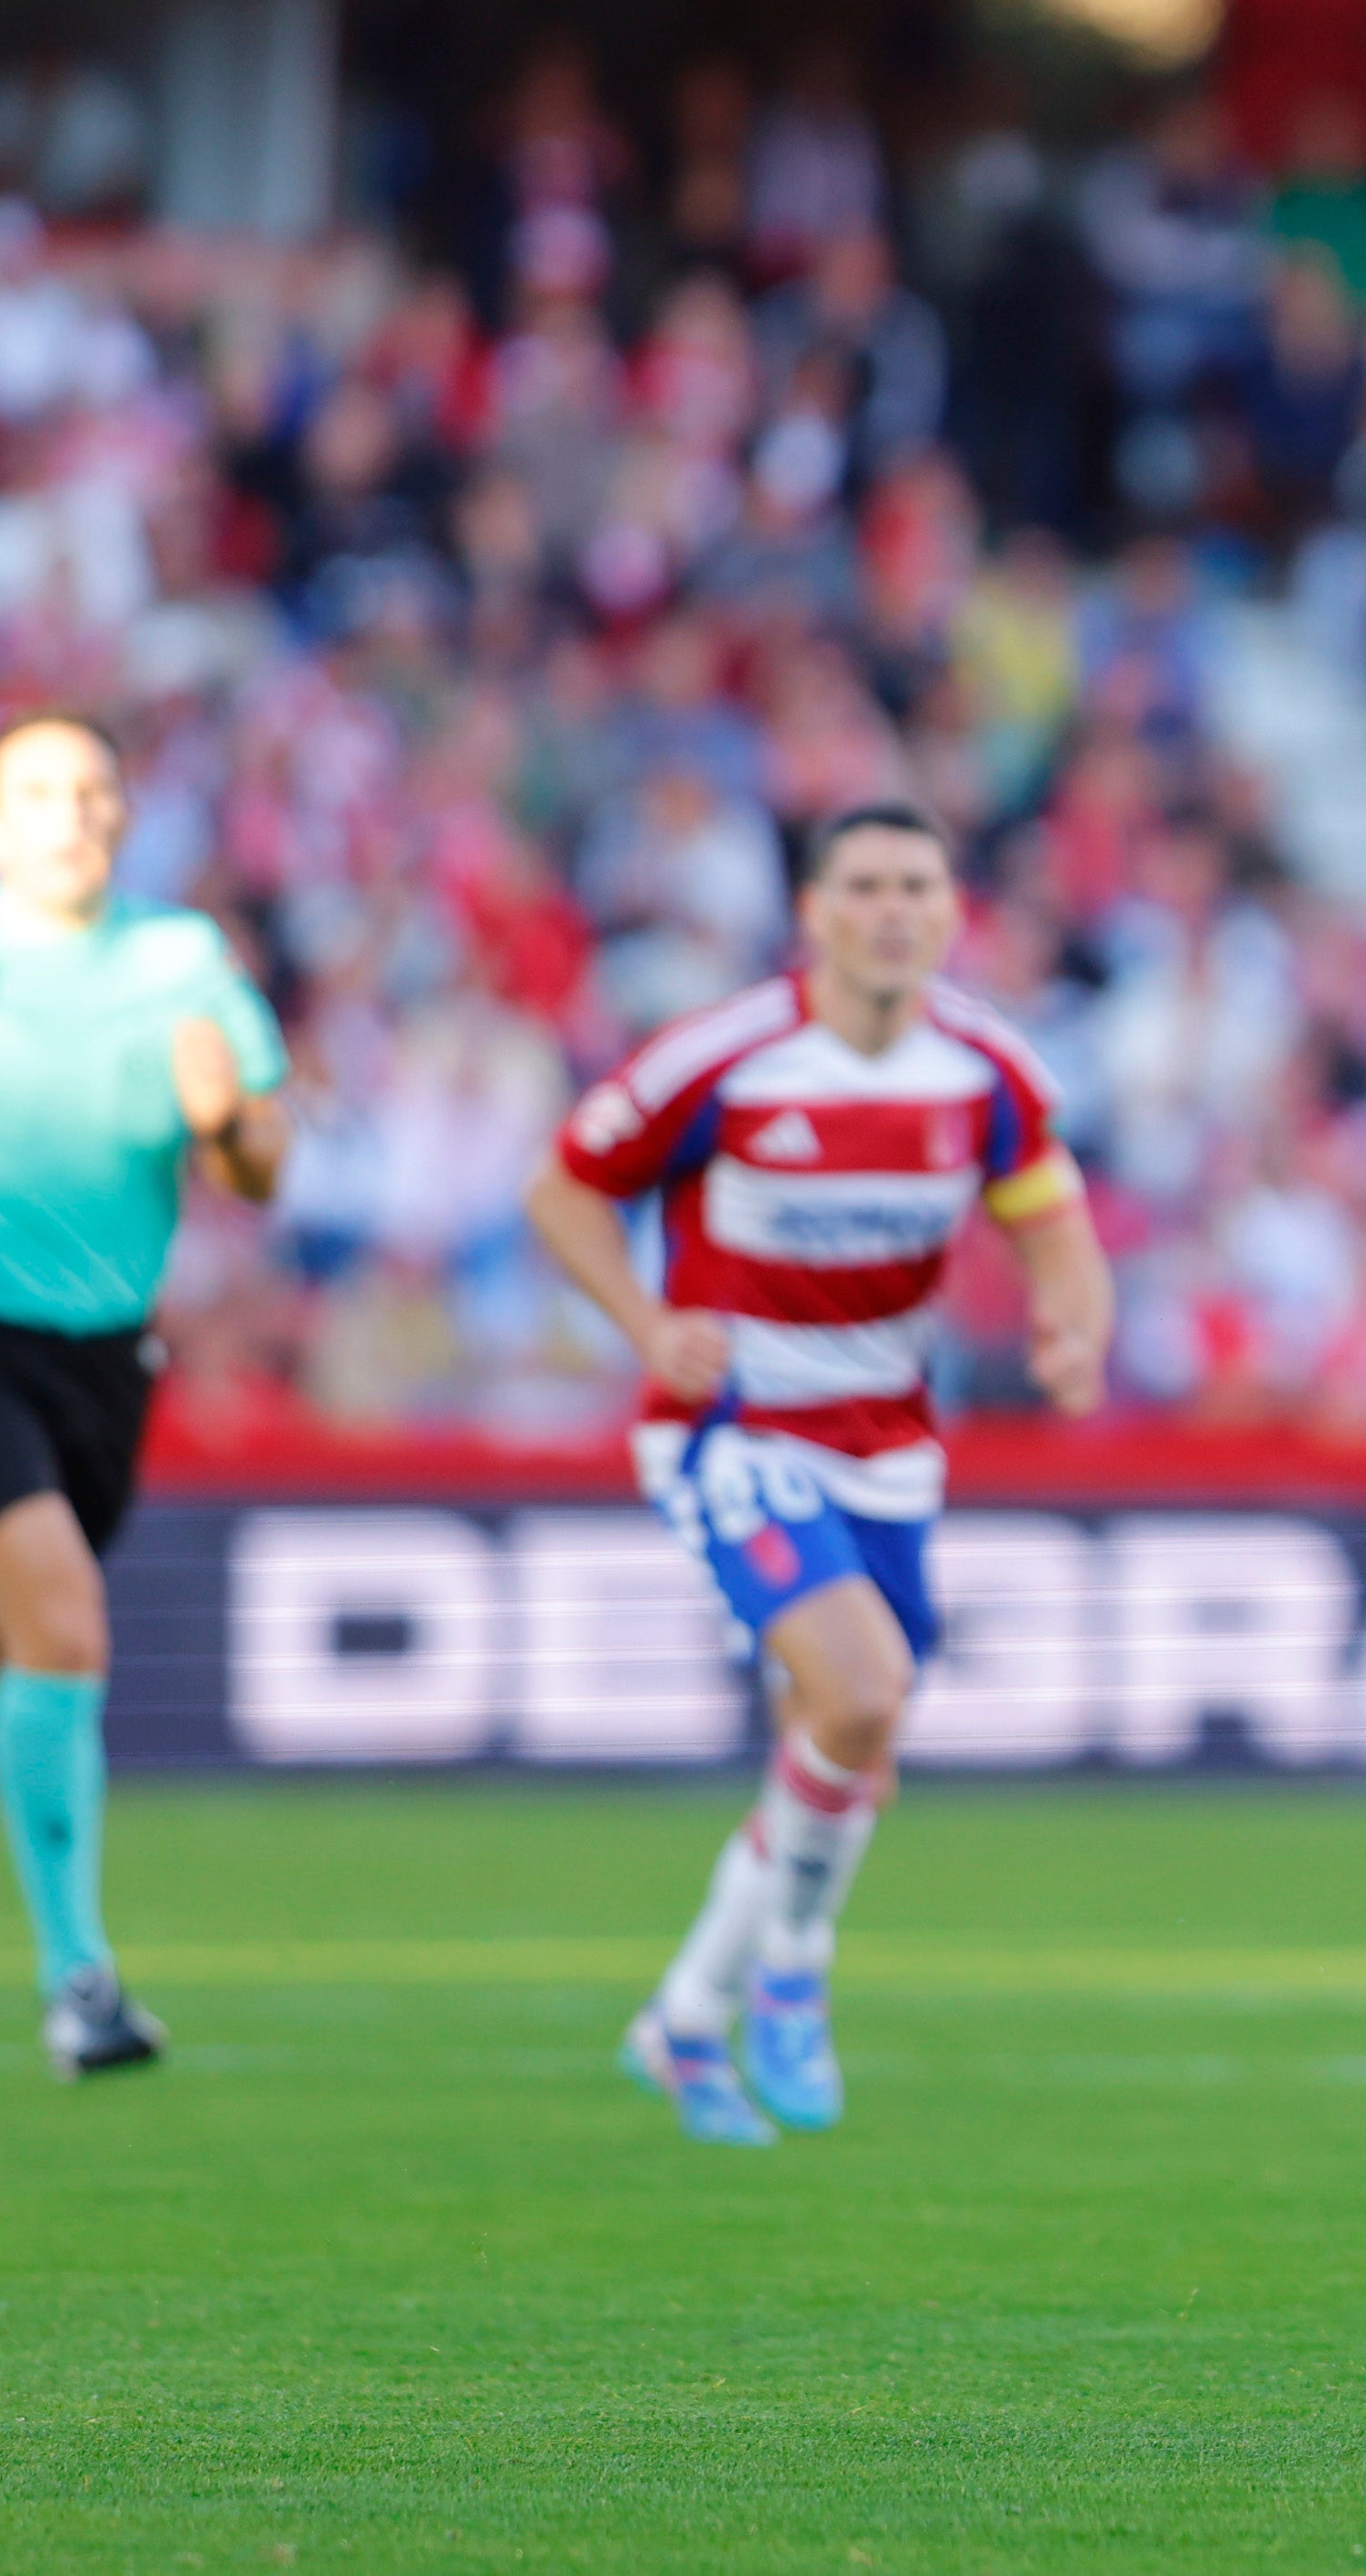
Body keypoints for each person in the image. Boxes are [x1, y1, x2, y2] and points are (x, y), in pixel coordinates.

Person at [523, 804, 1112, 2148]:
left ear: (952, 910)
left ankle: (686, 2017)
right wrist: (644, 1326)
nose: (894, 910)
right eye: (866, 886)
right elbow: (561, 1189)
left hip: (887, 1444)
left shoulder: (985, 1069)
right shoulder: (725, 1057)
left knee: (852, 1754)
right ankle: (793, 1970)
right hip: (734, 1425)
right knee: (859, 1690)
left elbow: (1052, 1222)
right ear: (816, 912)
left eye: (919, 885)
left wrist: (1075, 1327)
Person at [0, 711, 291, 2079]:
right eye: (39, 792)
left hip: (102, 1362)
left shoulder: (183, 960)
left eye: (91, 790)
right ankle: (78, 1981)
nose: (71, 813)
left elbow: (262, 1163)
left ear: (123, 815)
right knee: (64, 1626)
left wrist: (228, 1125)